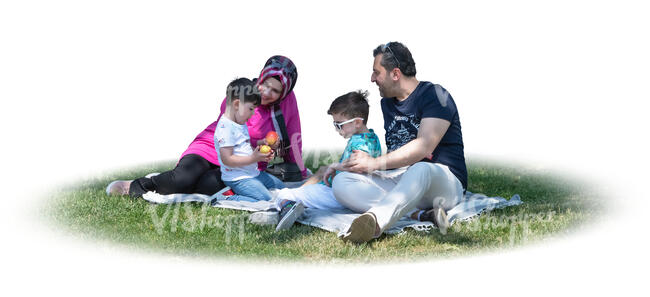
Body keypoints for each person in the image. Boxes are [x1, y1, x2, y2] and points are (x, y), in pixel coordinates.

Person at [106, 56, 305, 198]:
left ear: (285, 92)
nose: (266, 92)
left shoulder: (287, 103)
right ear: (261, 77)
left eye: (275, 90)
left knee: (207, 187)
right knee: (182, 179)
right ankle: (135, 185)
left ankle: (179, 184)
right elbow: (229, 124)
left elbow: (294, 135)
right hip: (212, 147)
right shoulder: (244, 94)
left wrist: (300, 171)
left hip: (241, 166)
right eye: (265, 84)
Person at [330, 42, 468, 243]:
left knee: (421, 168)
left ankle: (375, 221)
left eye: (376, 73)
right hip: (404, 181)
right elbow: (395, 154)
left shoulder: (436, 95)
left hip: (444, 182)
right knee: (342, 182)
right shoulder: (387, 103)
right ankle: (419, 215)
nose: (372, 79)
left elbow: (424, 146)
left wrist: (375, 163)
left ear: (395, 74)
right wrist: (345, 166)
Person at [273, 90, 382, 231]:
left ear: (357, 122)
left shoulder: (359, 144)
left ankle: (289, 209)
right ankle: (299, 200)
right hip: (352, 194)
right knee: (317, 177)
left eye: (339, 125)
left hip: (337, 195)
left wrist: (336, 165)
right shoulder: (372, 137)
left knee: (285, 194)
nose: (337, 130)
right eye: (334, 125)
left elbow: (358, 166)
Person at [215, 78, 285, 202]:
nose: (253, 114)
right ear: (237, 104)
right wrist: (254, 158)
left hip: (253, 173)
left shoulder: (240, 123)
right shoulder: (225, 128)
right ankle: (226, 197)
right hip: (238, 177)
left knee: (282, 189)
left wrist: (261, 145)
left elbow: (244, 146)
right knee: (264, 199)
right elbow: (227, 159)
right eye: (251, 109)